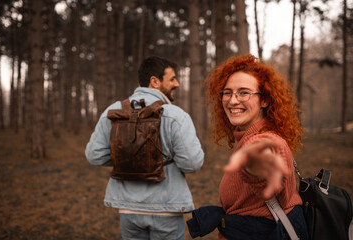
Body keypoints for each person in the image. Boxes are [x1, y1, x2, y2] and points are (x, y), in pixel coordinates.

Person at [187, 54, 308, 239]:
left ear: (265, 100)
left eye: (244, 93)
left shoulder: (265, 141)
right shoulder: (247, 137)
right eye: (227, 92)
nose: (233, 101)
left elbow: (270, 182)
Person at [85, 56, 204, 240]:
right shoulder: (176, 116)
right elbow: (192, 163)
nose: (177, 83)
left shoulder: (114, 111)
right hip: (167, 208)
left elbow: (94, 155)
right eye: (172, 78)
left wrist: (128, 157)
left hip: (128, 209)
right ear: (155, 81)